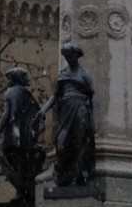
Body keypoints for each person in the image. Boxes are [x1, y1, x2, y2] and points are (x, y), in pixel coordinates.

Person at [36, 43, 96, 187]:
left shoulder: (84, 73)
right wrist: (43, 110)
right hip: (66, 110)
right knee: (62, 143)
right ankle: (65, 175)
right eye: (66, 56)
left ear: (76, 56)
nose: (68, 58)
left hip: (80, 109)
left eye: (70, 55)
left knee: (79, 141)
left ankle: (77, 175)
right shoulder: (63, 74)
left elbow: (91, 95)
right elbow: (55, 96)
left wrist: (92, 120)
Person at [0, 66, 44, 206]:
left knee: (7, 161)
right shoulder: (27, 94)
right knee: (23, 164)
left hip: (14, 135)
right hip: (26, 137)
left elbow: (6, 114)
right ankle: (24, 191)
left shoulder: (11, 92)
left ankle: (23, 190)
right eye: (25, 77)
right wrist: (33, 133)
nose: (27, 79)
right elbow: (38, 115)